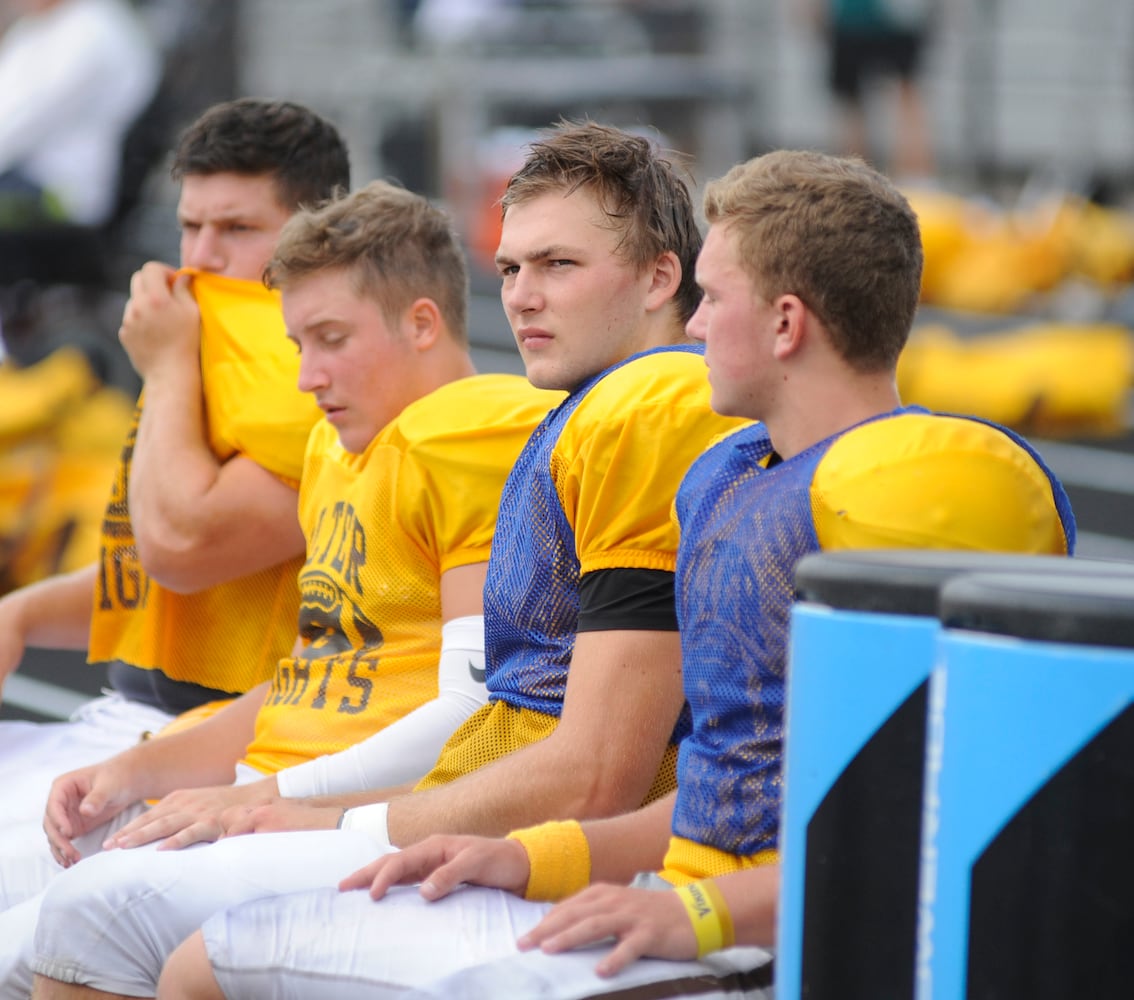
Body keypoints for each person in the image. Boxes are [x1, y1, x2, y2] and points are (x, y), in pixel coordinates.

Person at [151, 150, 1074, 999]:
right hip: (685, 886)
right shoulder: (732, 470)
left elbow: (909, 818)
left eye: (711, 296)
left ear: (787, 321)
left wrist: (697, 911)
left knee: (200, 959)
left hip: (782, 938)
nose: (695, 325)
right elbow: (724, 793)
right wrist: (534, 856)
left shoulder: (914, 486)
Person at [27, 119, 747, 999]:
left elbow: (595, 765)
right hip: (499, 808)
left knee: (120, 926)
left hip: (599, 853)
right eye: (512, 268)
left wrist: (324, 813)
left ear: (661, 278)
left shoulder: (645, 402)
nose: (520, 296)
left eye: (557, 265)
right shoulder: (576, 412)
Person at [0, 98, 350, 904]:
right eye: (191, 227)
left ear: (318, 231)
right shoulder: (214, 338)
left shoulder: (310, 369)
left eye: (236, 229)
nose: (202, 258)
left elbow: (186, 550)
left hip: (221, 744)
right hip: (129, 715)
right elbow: (146, 585)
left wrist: (164, 371)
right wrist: (21, 614)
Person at [0, 0, 159, 229]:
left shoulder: (93, 31)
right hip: (18, 174)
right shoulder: (38, 25)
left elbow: (19, 127)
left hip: (61, 193)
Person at [810, 0, 936, 179]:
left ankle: (910, 177)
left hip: (889, 18)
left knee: (903, 96)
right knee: (856, 104)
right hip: (861, 21)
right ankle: (860, 177)